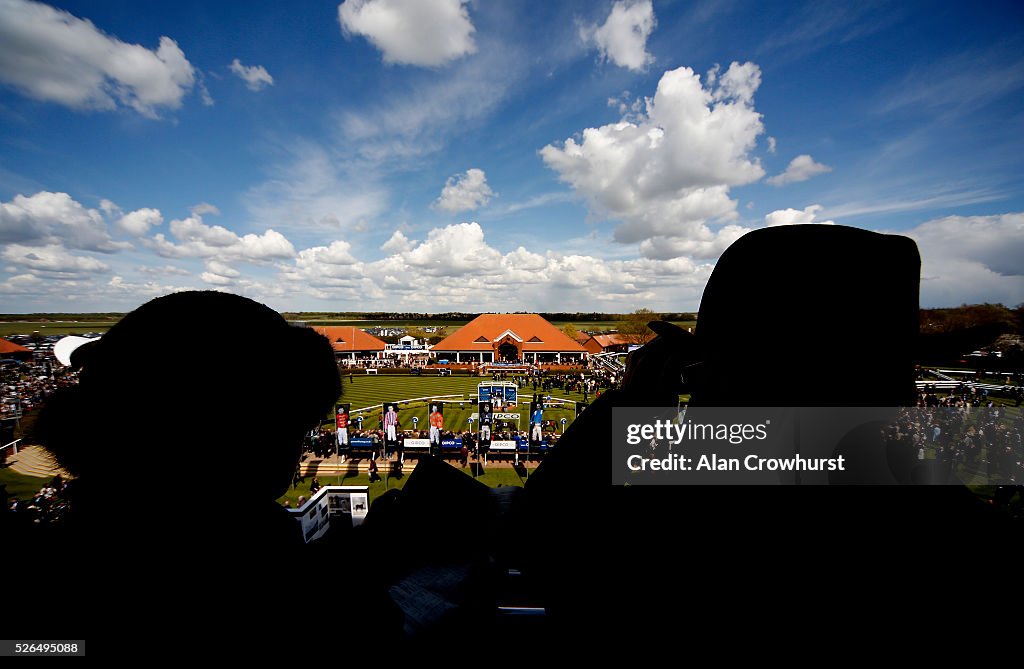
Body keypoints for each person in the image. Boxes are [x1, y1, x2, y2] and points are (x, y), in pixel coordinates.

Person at [28, 290, 342, 644]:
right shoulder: (247, 545)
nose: (297, 445)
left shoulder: (74, 545)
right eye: (292, 425)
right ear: (242, 437)